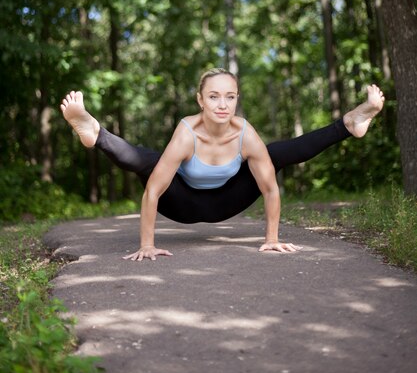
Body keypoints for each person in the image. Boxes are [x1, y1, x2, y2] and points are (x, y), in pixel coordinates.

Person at [60, 68, 385, 262]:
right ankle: (96, 134)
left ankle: (348, 124)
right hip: (181, 203)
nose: (222, 104)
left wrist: (272, 238)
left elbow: (269, 187)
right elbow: (154, 191)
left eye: (230, 97)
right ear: (201, 100)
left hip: (228, 201)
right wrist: (147, 245)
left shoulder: (245, 133)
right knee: (150, 161)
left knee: (275, 154)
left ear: (236, 99)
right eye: (214, 96)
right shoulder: (187, 132)